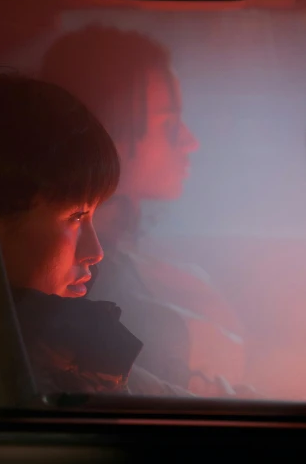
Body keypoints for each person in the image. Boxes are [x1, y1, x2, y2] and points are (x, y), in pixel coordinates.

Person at [40, 25, 249, 396]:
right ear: (106, 129)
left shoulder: (133, 255)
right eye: (168, 124)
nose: (191, 140)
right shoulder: (80, 282)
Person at [0, 73, 151, 395]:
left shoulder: (59, 345)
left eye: (94, 215)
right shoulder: (15, 375)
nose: (95, 252)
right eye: (76, 216)